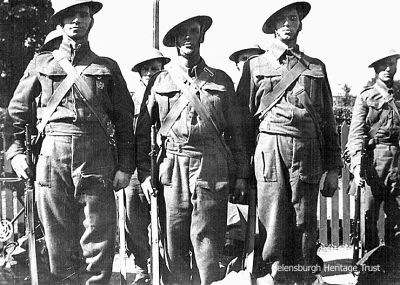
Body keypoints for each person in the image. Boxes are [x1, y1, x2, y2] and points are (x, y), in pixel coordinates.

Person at [6, 0, 135, 284]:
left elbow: (126, 120)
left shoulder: (107, 67)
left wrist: (125, 166)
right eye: (69, 16)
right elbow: (17, 112)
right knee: (57, 242)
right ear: (59, 23)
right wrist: (16, 153)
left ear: (91, 21)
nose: (77, 20)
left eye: (83, 15)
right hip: (53, 154)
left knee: (99, 238)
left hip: (98, 155)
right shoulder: (41, 63)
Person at [136, 14, 249, 285]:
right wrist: (143, 174)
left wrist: (242, 173)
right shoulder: (159, 81)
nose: (189, 36)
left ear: (202, 36)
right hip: (172, 165)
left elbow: (237, 133)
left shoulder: (221, 80)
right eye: (183, 32)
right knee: (173, 242)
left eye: (194, 31)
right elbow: (142, 132)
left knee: (208, 241)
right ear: (175, 40)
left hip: (211, 165)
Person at [236, 1, 342, 284]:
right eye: (281, 19)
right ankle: (275, 275)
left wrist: (333, 168)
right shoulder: (255, 65)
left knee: (305, 220)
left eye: (292, 18)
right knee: (272, 218)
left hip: (307, 150)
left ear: (300, 24)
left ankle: (305, 276)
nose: (287, 23)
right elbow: (242, 122)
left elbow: (328, 120)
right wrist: (242, 171)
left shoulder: (316, 67)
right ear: (272, 26)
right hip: (270, 149)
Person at [346, 50, 400, 253]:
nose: (388, 69)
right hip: (373, 160)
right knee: (368, 216)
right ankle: (370, 266)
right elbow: (356, 134)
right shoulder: (366, 97)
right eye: (383, 65)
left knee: (397, 215)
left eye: (392, 64)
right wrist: (357, 165)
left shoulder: (399, 93)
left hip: (397, 159)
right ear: (376, 69)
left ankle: (394, 265)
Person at [126, 48, 170, 285]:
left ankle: (164, 265)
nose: (152, 73)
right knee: (134, 222)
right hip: (135, 168)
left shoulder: (171, 96)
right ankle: (142, 266)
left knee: (168, 219)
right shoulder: (130, 100)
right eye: (147, 70)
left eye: (156, 68)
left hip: (165, 166)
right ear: (140, 74)